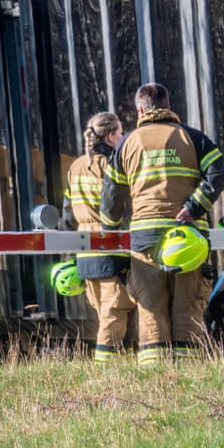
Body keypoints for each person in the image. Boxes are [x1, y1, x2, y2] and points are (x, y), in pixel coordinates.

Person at [99, 84, 224, 365]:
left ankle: (156, 372)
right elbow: (218, 174)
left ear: (140, 110)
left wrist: (110, 232)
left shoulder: (126, 144)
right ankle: (189, 370)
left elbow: (111, 197)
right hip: (189, 237)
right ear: (169, 104)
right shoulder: (193, 138)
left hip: (145, 236)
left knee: (150, 305)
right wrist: (194, 207)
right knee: (188, 303)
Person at [61, 112, 135, 364]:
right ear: (111, 136)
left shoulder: (75, 167)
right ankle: (106, 370)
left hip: (85, 254)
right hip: (112, 251)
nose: (123, 136)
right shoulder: (115, 165)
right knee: (114, 313)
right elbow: (123, 206)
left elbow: (67, 217)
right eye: (121, 132)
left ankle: (117, 365)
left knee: (105, 314)